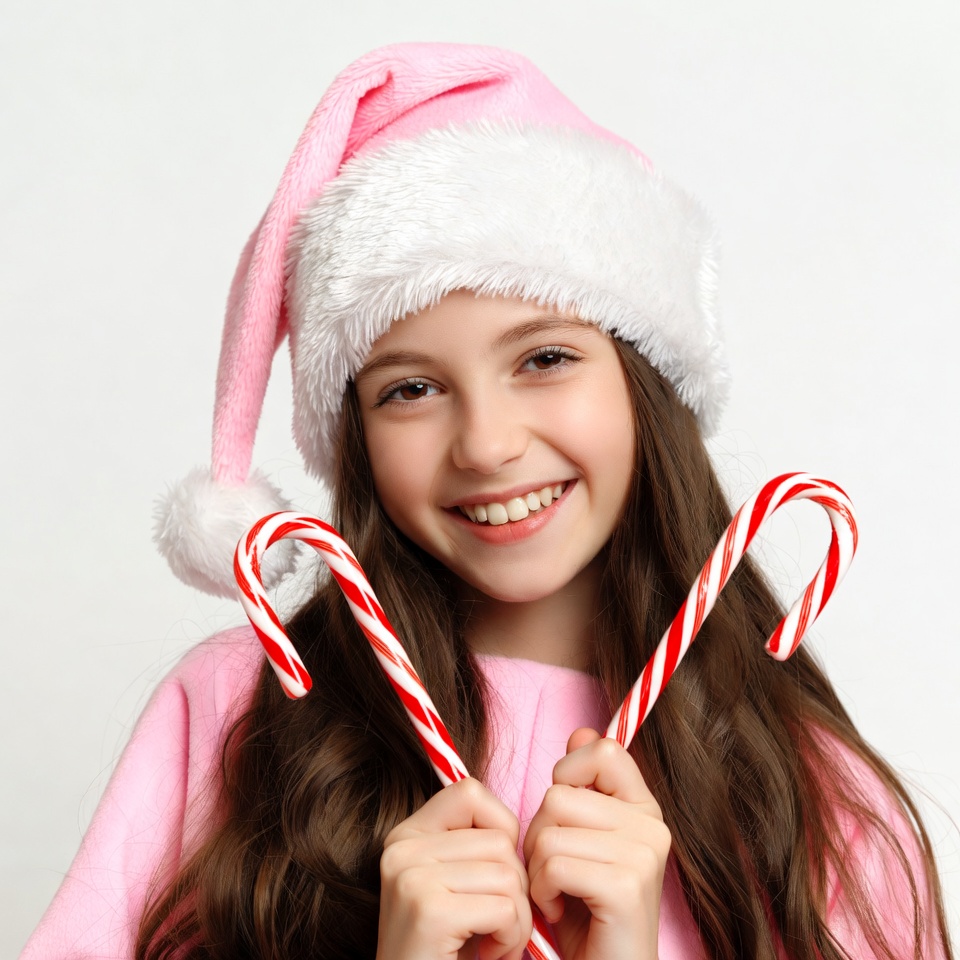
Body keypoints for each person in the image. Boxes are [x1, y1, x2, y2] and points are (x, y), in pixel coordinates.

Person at [22, 42, 954, 960]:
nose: (487, 444)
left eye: (544, 358)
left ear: (645, 380)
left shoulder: (815, 798)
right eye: (410, 389)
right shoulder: (236, 717)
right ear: (356, 436)